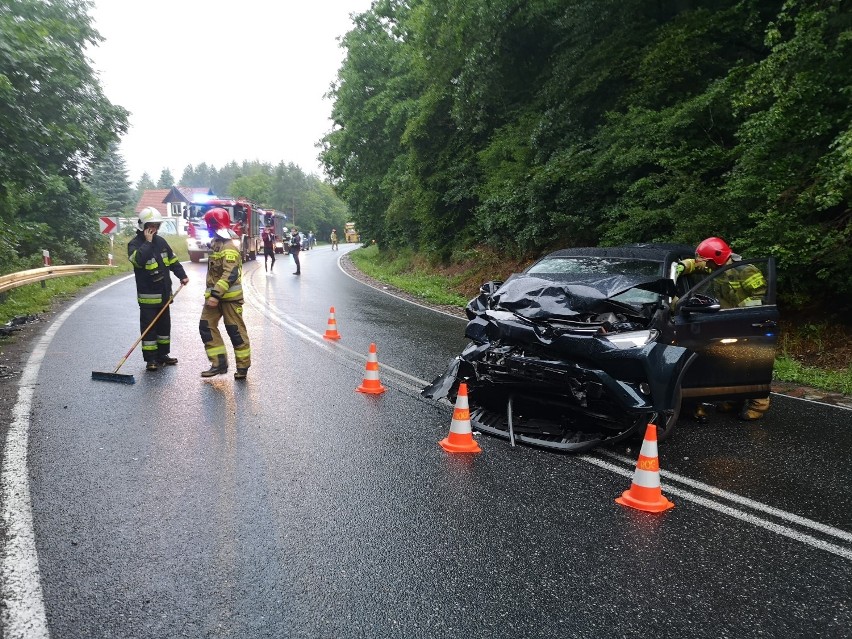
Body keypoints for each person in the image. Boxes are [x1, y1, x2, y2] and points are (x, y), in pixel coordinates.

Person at [677, 236, 770, 421]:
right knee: (731, 363)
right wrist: (684, 266)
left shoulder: (747, 271)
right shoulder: (719, 268)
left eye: (708, 262)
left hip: (748, 323)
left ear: (716, 258)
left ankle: (759, 405)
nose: (707, 266)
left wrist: (741, 314)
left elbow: (759, 298)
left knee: (752, 364)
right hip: (728, 322)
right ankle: (735, 400)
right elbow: (699, 265)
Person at [127, 207, 189, 372]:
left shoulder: (161, 242)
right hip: (148, 298)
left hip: (164, 296)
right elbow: (138, 261)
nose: (154, 228)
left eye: (157, 225)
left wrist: (182, 275)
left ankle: (163, 355)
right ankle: (151, 360)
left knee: (164, 327)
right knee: (149, 330)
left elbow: (173, 260)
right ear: (143, 226)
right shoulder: (134, 244)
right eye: (151, 225)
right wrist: (147, 243)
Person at [199, 208, 251, 380]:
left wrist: (215, 295)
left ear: (214, 225)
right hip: (214, 298)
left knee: (235, 331)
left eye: (209, 226)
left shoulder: (229, 246)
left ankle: (243, 367)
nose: (207, 229)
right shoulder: (218, 243)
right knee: (206, 326)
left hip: (229, 299)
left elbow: (230, 273)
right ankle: (218, 363)